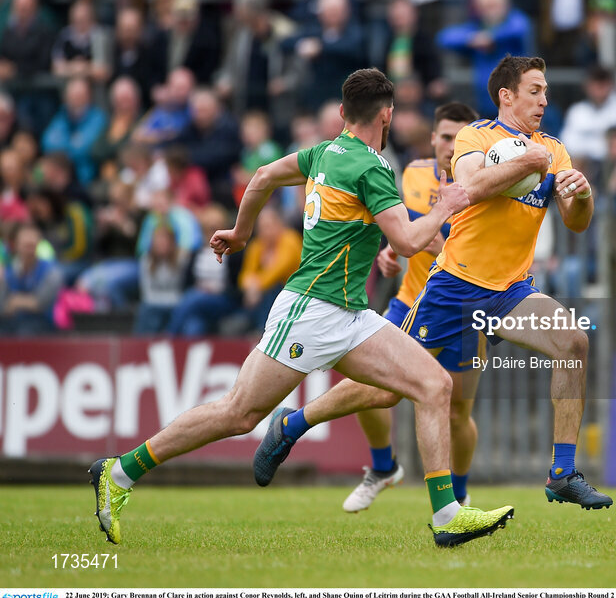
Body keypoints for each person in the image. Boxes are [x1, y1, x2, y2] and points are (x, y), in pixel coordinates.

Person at [89, 68, 514, 548]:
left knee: (433, 384)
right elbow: (409, 241)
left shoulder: (323, 153)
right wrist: (446, 205)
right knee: (238, 414)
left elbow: (264, 175)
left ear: (341, 114)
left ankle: (447, 515)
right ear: (388, 115)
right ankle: (120, 471)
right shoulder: (372, 167)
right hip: (312, 310)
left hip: (351, 315)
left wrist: (241, 231)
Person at [258, 56, 612, 510]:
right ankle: (293, 424)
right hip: (454, 285)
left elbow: (577, 224)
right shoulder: (476, 136)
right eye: (535, 90)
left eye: (545, 91)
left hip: (511, 290)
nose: (545, 99)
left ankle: (562, 471)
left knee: (573, 342)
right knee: (387, 390)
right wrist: (526, 161)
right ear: (507, 96)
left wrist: (581, 194)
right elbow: (468, 186)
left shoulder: (553, 149)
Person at [254, 102, 480, 511]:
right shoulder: (411, 173)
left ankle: (459, 496)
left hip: (466, 309)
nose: (452, 146)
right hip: (413, 301)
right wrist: (393, 253)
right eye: (446, 137)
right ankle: (379, 465)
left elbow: (487, 251)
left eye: (461, 139)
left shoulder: (481, 183)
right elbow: (398, 228)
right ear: (432, 139)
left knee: (459, 411)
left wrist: (441, 246)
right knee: (381, 387)